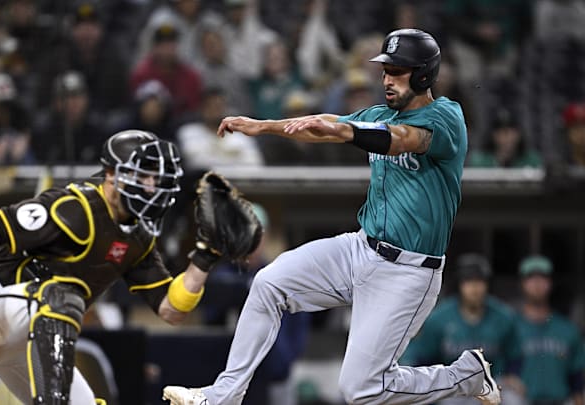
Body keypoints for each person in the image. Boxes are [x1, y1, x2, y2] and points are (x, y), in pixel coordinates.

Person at [163, 28, 501, 405]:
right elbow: (326, 127)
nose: (387, 78)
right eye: (385, 70)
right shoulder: (378, 113)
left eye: (397, 70)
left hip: (409, 272)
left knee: (361, 391)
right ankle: (223, 397)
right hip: (360, 249)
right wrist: (264, 126)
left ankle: (465, 375)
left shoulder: (446, 117)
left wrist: (343, 129)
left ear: (423, 74)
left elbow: (400, 138)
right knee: (268, 284)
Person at [0, 130, 238, 404]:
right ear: (112, 174)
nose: (152, 187)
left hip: (30, 337)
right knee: (61, 298)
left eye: (156, 179)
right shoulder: (75, 206)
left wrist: (204, 257)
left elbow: (171, 309)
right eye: (144, 176)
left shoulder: (138, 235)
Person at [402, 253, 525, 404]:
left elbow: (515, 356)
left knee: (514, 400)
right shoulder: (439, 318)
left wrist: (513, 375)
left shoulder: (503, 316)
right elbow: (424, 359)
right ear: (459, 284)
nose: (474, 288)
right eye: (468, 281)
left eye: (479, 281)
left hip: (492, 383)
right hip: (453, 385)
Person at [515, 255, 585, 405]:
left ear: (550, 283)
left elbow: (577, 375)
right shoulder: (511, 327)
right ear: (522, 283)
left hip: (561, 400)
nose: (537, 284)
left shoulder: (567, 329)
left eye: (542, 278)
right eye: (531, 278)